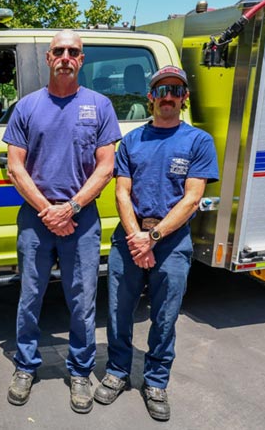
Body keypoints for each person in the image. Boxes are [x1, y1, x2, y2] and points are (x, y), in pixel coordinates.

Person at [2, 30, 122, 413]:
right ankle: (25, 366)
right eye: (59, 51)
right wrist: (47, 211)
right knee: (30, 297)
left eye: (74, 51)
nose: (66, 57)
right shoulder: (26, 107)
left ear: (82, 60)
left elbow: (106, 167)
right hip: (37, 219)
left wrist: (69, 209)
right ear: (48, 58)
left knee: (82, 301)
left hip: (82, 220)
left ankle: (81, 372)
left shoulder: (100, 106)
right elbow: (16, 168)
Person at [93, 66, 219, 421]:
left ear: (184, 98)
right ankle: (117, 371)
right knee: (119, 311)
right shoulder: (131, 141)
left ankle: (156, 381)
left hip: (171, 242)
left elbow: (192, 199)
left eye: (176, 90)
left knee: (165, 318)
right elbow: (121, 191)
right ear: (150, 97)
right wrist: (136, 238)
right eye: (161, 89)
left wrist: (153, 238)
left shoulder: (198, 141)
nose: (168, 96)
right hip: (129, 238)